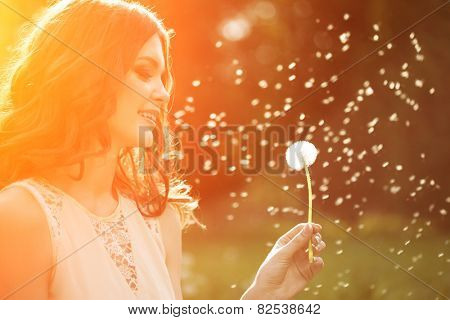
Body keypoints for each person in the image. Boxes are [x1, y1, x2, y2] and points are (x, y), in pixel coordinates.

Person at [0, 0, 325, 300]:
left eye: (163, 77)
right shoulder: (21, 217)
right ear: (85, 75)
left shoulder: (159, 216)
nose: (163, 93)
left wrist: (261, 298)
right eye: (144, 72)